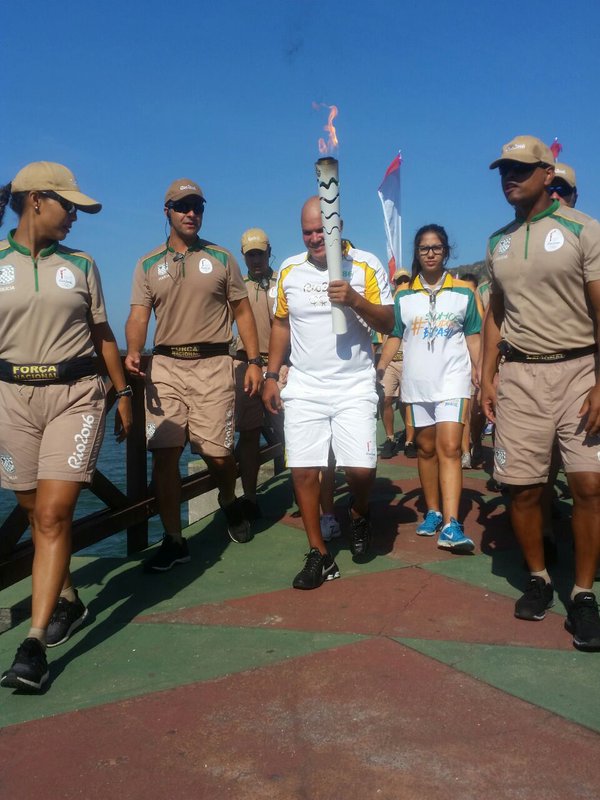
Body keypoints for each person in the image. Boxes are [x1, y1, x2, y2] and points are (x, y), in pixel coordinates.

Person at [0, 162, 132, 691]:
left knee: (54, 514)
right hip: (11, 399)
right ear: (36, 200)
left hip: (75, 396)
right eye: (68, 204)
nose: (74, 215)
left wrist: (123, 393)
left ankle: (32, 646)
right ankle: (69, 597)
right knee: (34, 511)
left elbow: (103, 334)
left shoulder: (81, 264)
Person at [481, 135, 600, 651]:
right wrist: (486, 376)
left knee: (589, 486)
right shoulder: (498, 242)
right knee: (523, 488)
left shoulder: (583, 229)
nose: (510, 177)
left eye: (521, 169)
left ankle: (583, 593)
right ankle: (539, 577)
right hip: (521, 375)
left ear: (548, 174)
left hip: (580, 370)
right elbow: (496, 312)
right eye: (504, 170)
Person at [125, 178, 262, 572]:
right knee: (164, 456)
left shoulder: (221, 257)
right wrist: (133, 349)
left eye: (197, 207)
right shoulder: (148, 263)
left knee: (218, 456)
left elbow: (242, 312)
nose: (191, 213)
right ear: (167, 211)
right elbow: (139, 315)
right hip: (165, 366)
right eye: (183, 206)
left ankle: (228, 498)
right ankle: (174, 539)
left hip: (214, 365)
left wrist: (254, 361)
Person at [263, 196, 394, 589]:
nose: (315, 238)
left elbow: (389, 322)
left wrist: (354, 300)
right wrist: (271, 374)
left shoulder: (365, 264)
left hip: (354, 384)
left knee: (360, 470)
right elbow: (281, 324)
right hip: (305, 385)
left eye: (322, 230)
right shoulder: (289, 270)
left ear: (339, 227)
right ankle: (319, 554)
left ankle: (358, 510)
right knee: (304, 470)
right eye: (308, 232)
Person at [378, 225, 481, 553]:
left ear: (446, 251)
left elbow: (474, 336)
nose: (431, 253)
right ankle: (434, 510)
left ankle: (452, 523)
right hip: (417, 384)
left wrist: (481, 371)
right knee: (425, 449)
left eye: (437, 247)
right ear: (417, 253)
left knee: (449, 448)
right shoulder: (404, 296)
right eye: (424, 248)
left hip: (453, 381)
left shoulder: (464, 292)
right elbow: (395, 335)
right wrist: (380, 368)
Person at [233, 228, 279, 519]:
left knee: (294, 431)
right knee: (248, 434)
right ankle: (249, 496)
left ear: (269, 252)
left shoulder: (283, 282)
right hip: (246, 366)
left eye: (260, 254)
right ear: (243, 256)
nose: (256, 260)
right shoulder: (236, 286)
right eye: (250, 255)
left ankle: (308, 490)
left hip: (281, 368)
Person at [377, 269, 416, 459]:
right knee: (385, 399)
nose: (403, 284)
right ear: (394, 283)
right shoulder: (388, 303)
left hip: (410, 360)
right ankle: (390, 438)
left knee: (407, 402)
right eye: (399, 281)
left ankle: (410, 441)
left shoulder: (414, 303)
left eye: (406, 280)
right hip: (390, 361)